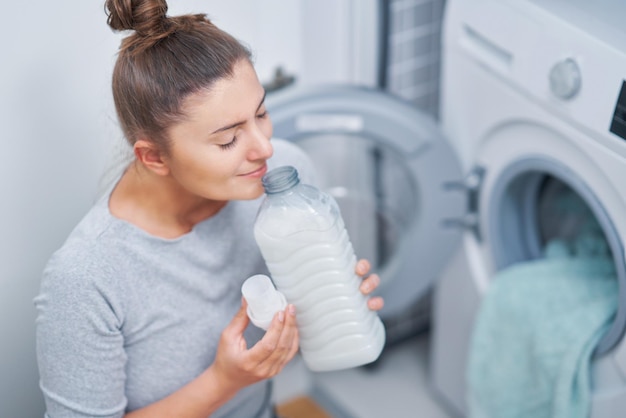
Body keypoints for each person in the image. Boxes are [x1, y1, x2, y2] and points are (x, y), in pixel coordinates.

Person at [34, 1, 384, 417]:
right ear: (154, 158)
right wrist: (223, 382)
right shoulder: (87, 278)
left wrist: (329, 309)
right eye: (227, 140)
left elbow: (306, 325)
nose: (265, 148)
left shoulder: (283, 182)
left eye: (262, 113)